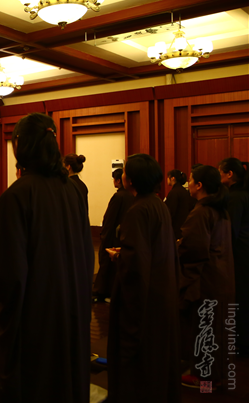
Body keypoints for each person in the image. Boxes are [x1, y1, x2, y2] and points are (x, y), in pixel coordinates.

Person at [0, 113, 94, 402]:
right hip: (72, 309)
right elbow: (86, 253)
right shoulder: (73, 191)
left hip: (35, 318)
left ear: (20, 145)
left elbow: (2, 270)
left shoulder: (18, 194)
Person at [107, 154, 180, 403]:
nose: (123, 175)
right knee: (158, 358)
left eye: (125, 171)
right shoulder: (158, 204)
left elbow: (136, 265)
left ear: (131, 180)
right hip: (162, 291)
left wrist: (120, 257)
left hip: (145, 299)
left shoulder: (137, 210)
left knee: (139, 362)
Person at [178, 165, 235, 389]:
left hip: (207, 278)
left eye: (191, 180)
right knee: (215, 328)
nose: (188, 184)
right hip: (221, 275)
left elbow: (193, 249)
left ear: (199, 185)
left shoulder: (202, 211)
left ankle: (205, 380)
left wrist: (177, 247)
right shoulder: (220, 209)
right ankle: (213, 377)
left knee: (205, 328)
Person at [219, 157, 249, 355]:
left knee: (241, 298)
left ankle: (241, 342)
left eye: (220, 171)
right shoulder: (243, 194)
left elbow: (231, 230)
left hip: (240, 253)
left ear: (229, 174)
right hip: (245, 251)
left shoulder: (235, 197)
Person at [93, 168, 134, 303]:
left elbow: (109, 220)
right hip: (124, 235)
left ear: (118, 180)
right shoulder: (132, 196)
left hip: (112, 236)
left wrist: (104, 235)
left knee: (107, 264)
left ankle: (102, 291)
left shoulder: (118, 197)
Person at [164, 169, 194, 239]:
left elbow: (170, 212)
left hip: (176, 228)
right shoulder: (184, 191)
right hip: (185, 226)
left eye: (168, 177)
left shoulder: (174, 192)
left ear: (172, 178)